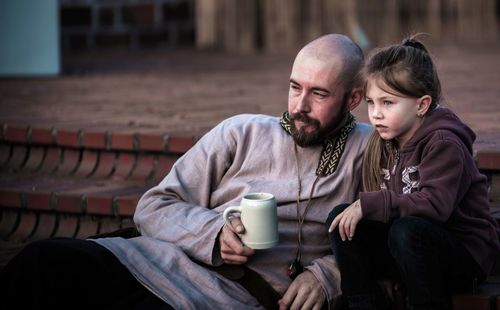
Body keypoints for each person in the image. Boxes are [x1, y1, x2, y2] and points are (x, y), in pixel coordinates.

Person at [0, 34, 372, 309]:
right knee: (42, 262)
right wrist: (214, 234)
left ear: (352, 100)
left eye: (318, 94)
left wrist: (326, 277)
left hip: (224, 298)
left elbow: (392, 233)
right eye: (294, 88)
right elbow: (154, 206)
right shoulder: (242, 131)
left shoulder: (369, 151)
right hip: (155, 263)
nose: (299, 106)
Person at [326, 36, 500, 310]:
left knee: (407, 230)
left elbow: (435, 206)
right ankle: (364, 303)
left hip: (461, 256)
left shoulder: (444, 143)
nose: (376, 114)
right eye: (371, 103)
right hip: (409, 250)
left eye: (388, 103)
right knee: (341, 220)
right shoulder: (385, 140)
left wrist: (372, 204)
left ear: (421, 105)